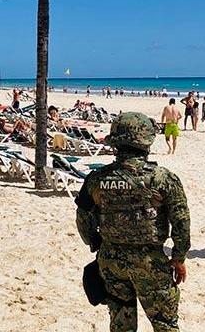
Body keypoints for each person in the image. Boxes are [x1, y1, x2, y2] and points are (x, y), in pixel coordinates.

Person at [75, 112, 190, 332]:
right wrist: (178, 257)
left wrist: (95, 243)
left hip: (111, 260)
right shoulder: (163, 178)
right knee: (164, 323)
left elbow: (83, 217)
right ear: (147, 142)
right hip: (150, 262)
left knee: (121, 324)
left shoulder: (97, 179)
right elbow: (181, 221)